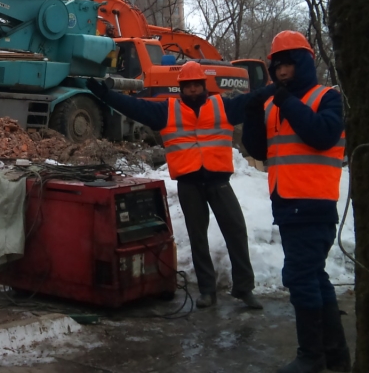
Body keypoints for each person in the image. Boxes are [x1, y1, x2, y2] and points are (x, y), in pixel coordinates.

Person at [87, 61, 264, 310]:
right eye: (188, 86)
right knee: (197, 237)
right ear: (181, 88)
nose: (192, 90)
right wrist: (104, 93)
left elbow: (253, 99)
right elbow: (134, 106)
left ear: (204, 85)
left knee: (236, 231)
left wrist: (277, 88)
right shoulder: (167, 111)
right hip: (189, 183)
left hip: (218, 180)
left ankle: (245, 289)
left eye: (196, 85)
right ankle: (207, 291)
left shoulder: (222, 106)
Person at [242, 30, 350, 373]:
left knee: (300, 278)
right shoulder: (274, 104)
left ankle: (311, 356)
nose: (282, 72)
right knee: (314, 278)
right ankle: (334, 355)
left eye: (289, 65)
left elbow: (321, 134)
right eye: (278, 66)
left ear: (303, 64)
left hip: (314, 203)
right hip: (288, 204)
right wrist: (252, 112)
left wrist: (285, 101)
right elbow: (260, 151)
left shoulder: (326, 98)